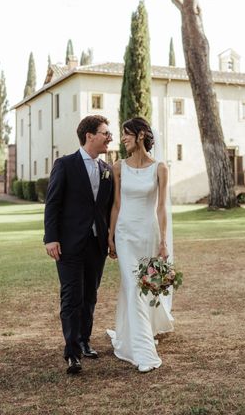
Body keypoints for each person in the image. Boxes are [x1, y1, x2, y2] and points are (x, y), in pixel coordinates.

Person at [43, 115, 114, 375]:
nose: (110, 137)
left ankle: (84, 341)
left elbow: (107, 208)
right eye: (106, 133)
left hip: (96, 246)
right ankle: (72, 353)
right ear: (89, 136)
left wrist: (110, 238)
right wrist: (51, 237)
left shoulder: (107, 170)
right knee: (72, 298)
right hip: (69, 245)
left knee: (90, 297)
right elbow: (53, 203)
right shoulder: (65, 164)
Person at [106, 117, 174, 373]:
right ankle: (145, 352)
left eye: (126, 134)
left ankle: (134, 332)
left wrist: (163, 242)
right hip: (124, 234)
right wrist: (111, 235)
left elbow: (161, 207)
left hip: (148, 233)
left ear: (141, 135)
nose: (122, 139)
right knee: (133, 285)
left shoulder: (160, 168)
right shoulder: (118, 167)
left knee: (142, 288)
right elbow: (116, 204)